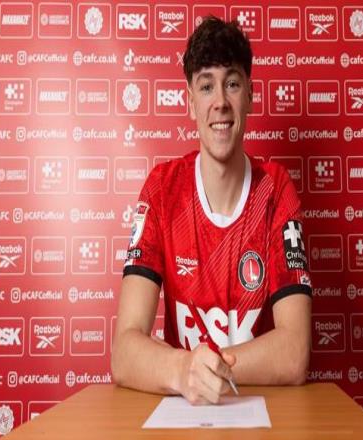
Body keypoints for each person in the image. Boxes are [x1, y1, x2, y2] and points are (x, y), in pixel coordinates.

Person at [112, 16, 312, 405]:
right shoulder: (162, 190)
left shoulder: (275, 191)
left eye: (231, 83)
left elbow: (294, 353)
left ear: (250, 94)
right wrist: (183, 371)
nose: (220, 101)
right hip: (186, 409)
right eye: (206, 86)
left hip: (262, 411)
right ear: (190, 102)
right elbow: (123, 352)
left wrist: (209, 367)